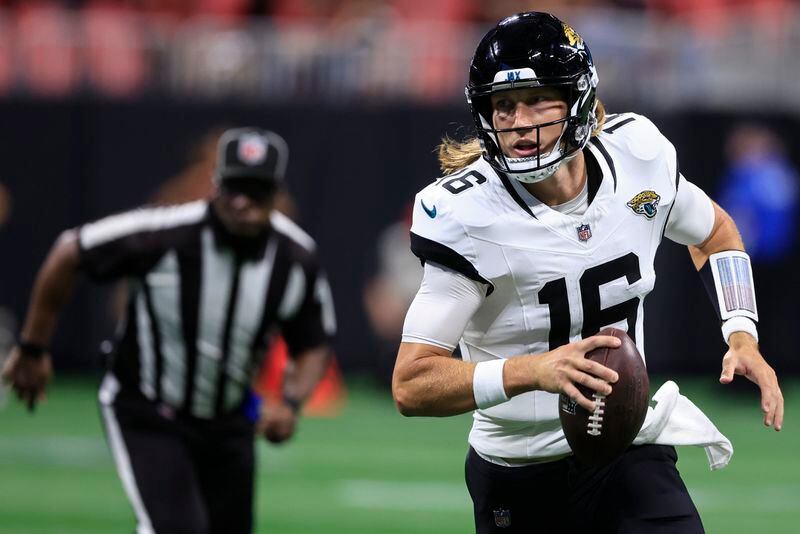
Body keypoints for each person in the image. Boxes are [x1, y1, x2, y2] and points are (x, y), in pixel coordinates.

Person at [392, 12, 784, 533]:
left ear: (577, 99)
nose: (518, 121)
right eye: (503, 105)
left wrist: (742, 333)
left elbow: (715, 234)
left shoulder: (636, 156)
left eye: (537, 100)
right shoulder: (468, 215)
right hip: (519, 468)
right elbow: (412, 383)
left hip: (630, 447)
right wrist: (533, 371)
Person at [1, 127, 336, 534]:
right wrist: (33, 347)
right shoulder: (165, 233)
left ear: (277, 194)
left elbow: (313, 342)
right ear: (216, 185)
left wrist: (290, 402)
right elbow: (71, 250)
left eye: (257, 191)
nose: (244, 203)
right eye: (235, 189)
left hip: (228, 421)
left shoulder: (295, 257)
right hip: (148, 407)